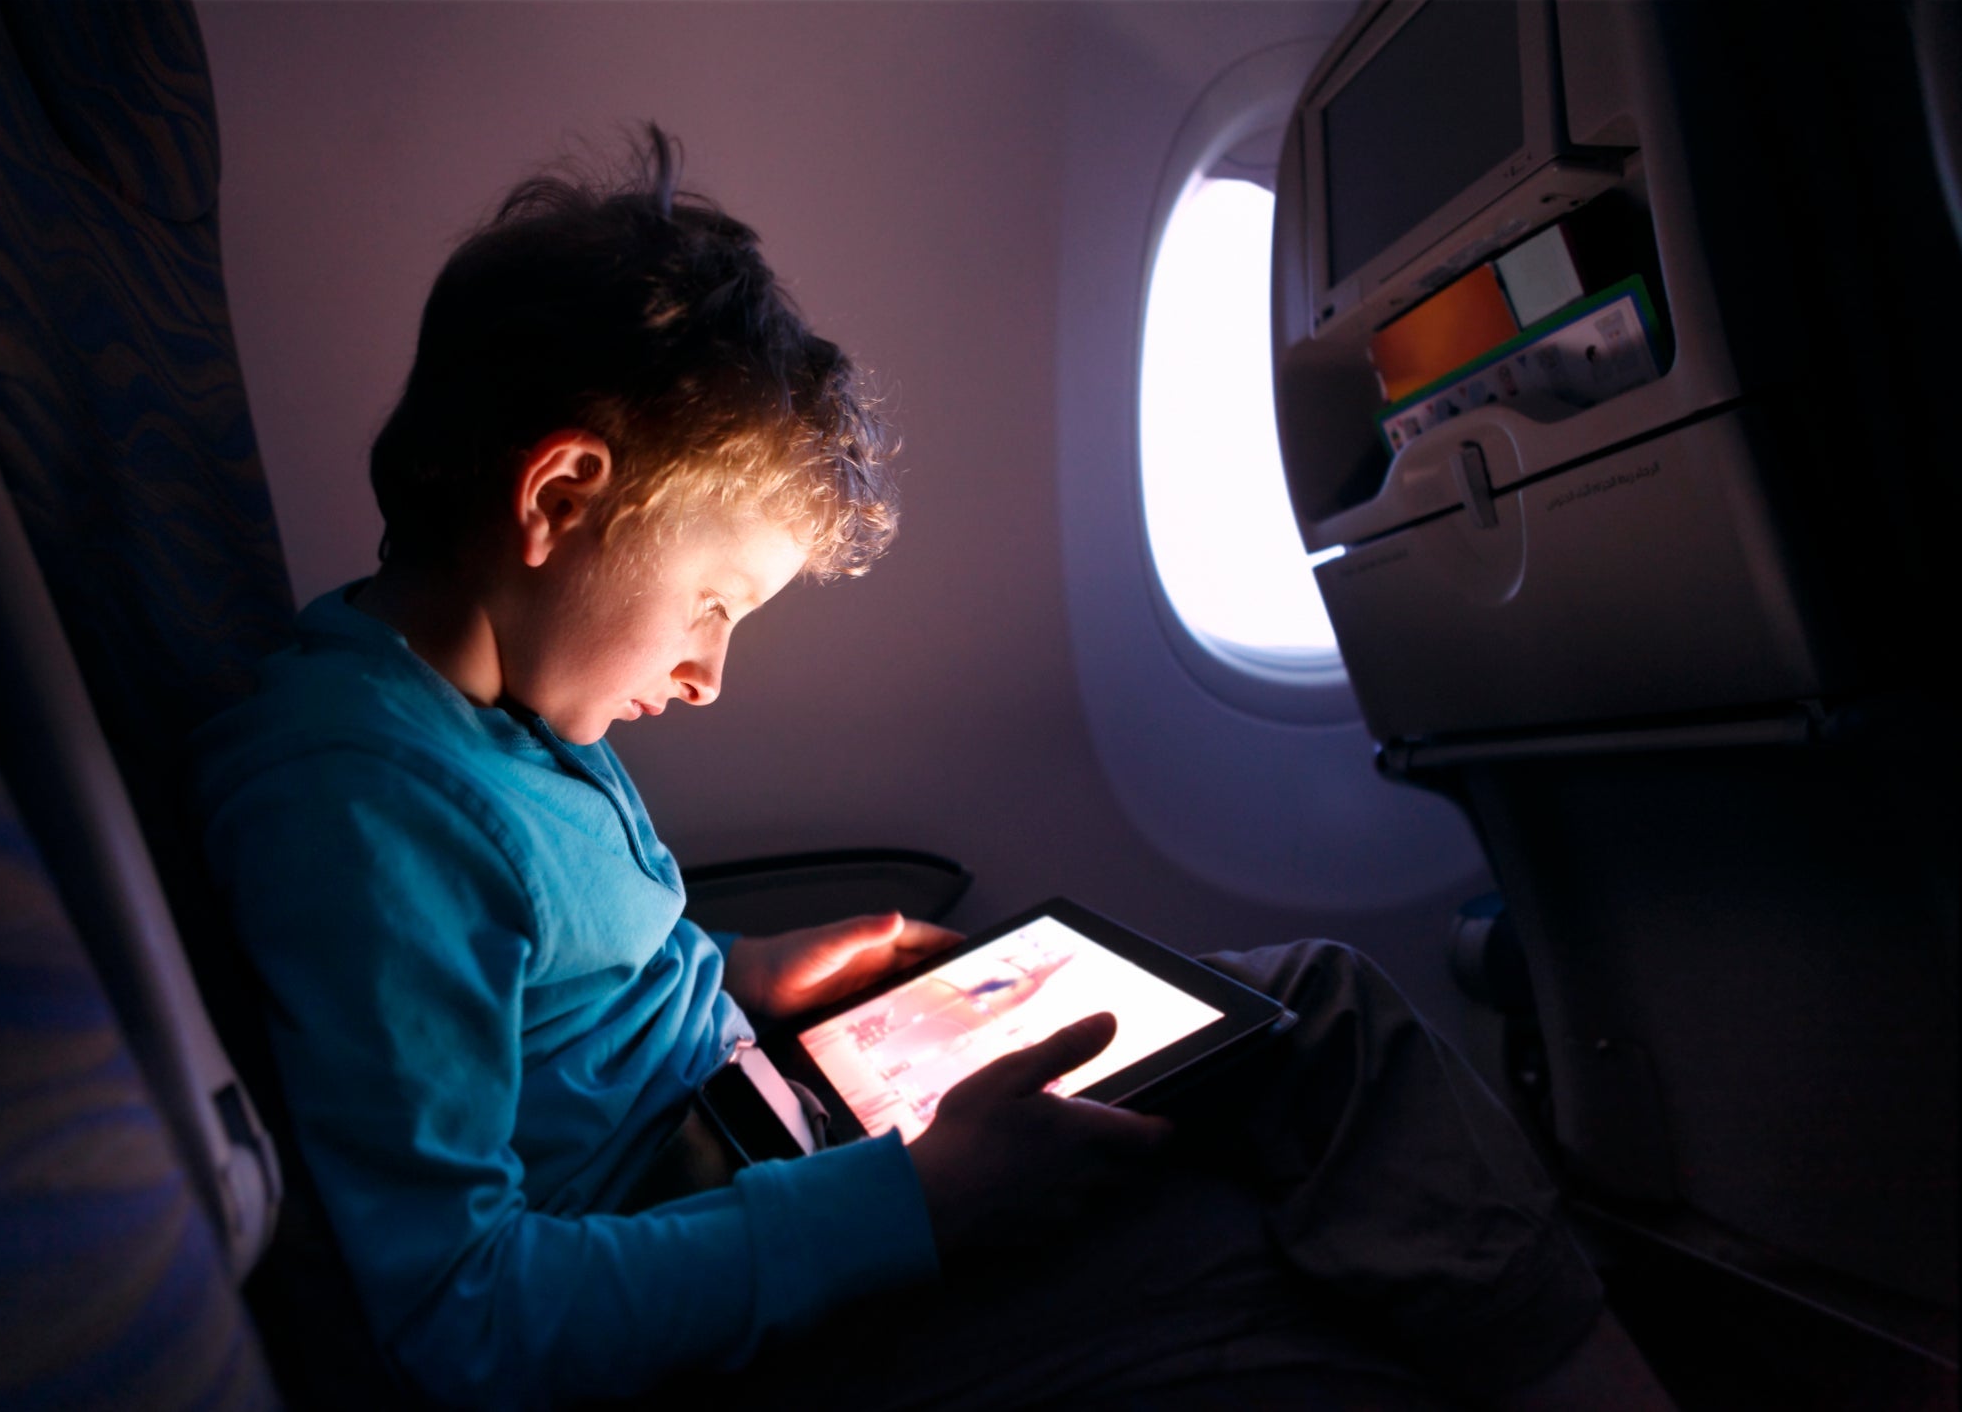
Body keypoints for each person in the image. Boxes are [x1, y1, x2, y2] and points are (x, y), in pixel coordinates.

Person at [192, 130, 1674, 1411]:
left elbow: (560, 996)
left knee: (1308, 1005)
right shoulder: (364, 805)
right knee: (1244, 1207)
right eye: (712, 601)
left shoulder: (507, 714)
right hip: (718, 1282)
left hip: (760, 1115)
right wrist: (908, 1200)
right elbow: (464, 1314)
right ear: (562, 495)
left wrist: (749, 970)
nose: (708, 671)